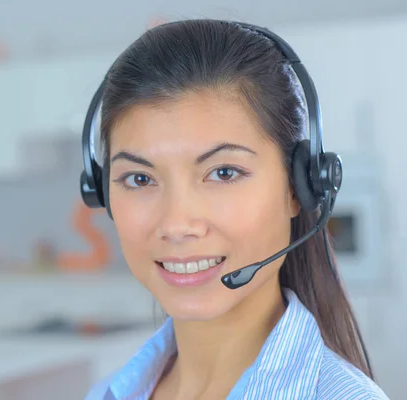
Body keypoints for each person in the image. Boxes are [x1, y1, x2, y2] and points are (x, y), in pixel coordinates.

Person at [83, 19, 389, 400]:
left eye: (223, 173)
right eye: (140, 180)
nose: (177, 225)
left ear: (299, 186)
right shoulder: (105, 394)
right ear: (101, 191)